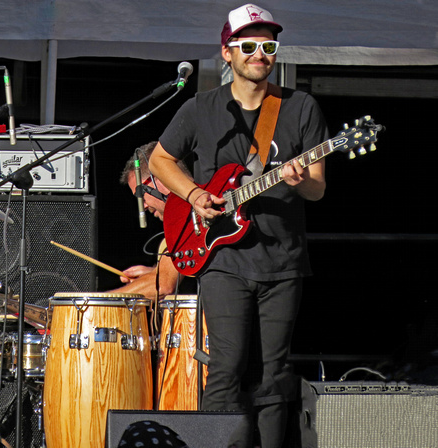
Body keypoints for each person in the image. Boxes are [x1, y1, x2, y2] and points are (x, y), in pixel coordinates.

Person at [148, 4, 328, 447]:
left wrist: (300, 180)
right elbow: (159, 159)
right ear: (227, 53)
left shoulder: (301, 106)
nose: (259, 53)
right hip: (223, 258)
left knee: (274, 371)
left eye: (268, 46)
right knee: (226, 365)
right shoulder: (201, 108)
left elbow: (318, 189)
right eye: (248, 45)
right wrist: (192, 194)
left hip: (283, 259)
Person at [110, 141, 190, 301]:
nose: (144, 206)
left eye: (141, 197)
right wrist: (153, 273)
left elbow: (162, 285)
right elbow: (162, 278)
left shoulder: (192, 214)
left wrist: (96, 301)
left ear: (158, 181)